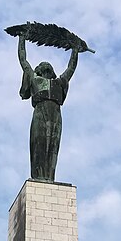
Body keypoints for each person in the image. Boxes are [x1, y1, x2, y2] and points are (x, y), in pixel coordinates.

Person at [17, 32, 79, 182]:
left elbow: (71, 69)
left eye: (48, 66)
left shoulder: (59, 82)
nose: (45, 66)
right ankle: (38, 177)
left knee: (53, 147)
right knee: (39, 145)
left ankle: (49, 178)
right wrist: (22, 39)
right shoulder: (35, 79)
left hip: (56, 114)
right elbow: (23, 61)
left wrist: (75, 51)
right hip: (40, 112)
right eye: (42, 66)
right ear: (39, 70)